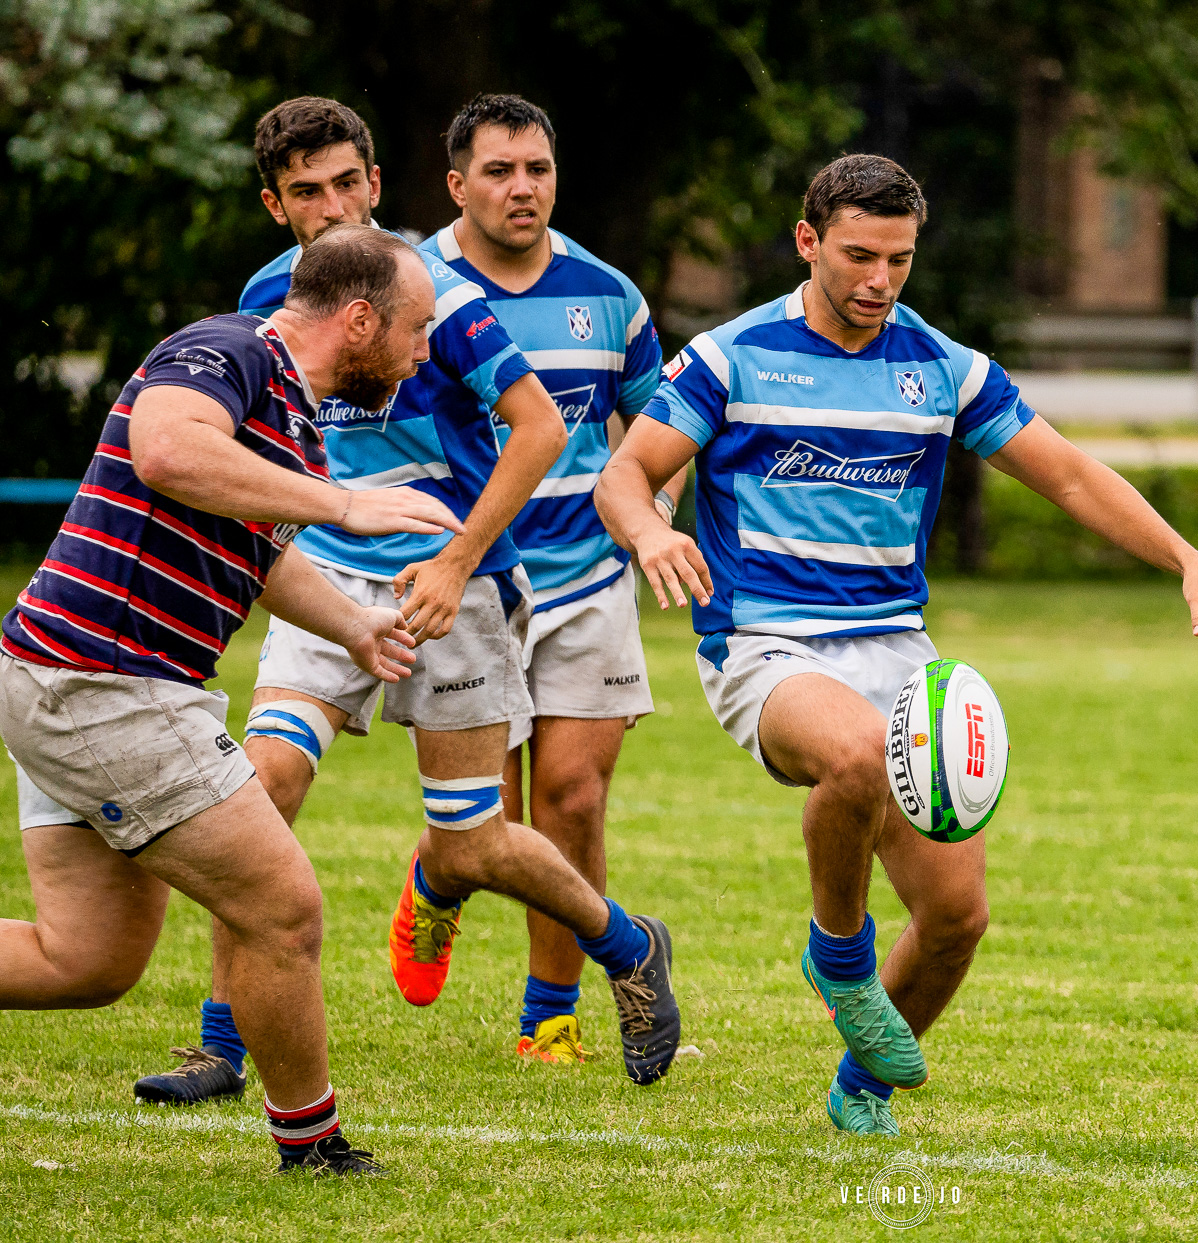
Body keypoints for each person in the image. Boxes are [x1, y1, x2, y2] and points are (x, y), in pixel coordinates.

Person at [597, 154, 1198, 1136]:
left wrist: (1184, 556)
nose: (878, 281)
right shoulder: (732, 358)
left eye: (900, 261)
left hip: (897, 650)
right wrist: (653, 529)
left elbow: (1072, 477)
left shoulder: (942, 368)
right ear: (807, 241)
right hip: (765, 646)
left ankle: (861, 1086)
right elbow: (625, 473)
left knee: (957, 920)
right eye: (859, 256)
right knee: (856, 755)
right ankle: (838, 951)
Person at [130, 96, 680, 1106]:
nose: (334, 206)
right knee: (260, 788)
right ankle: (221, 1045)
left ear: (379, 186)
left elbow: (543, 430)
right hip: (327, 581)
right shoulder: (263, 302)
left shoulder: (443, 296)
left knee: (471, 839)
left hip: (450, 587)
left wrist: (456, 560)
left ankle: (629, 943)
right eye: (308, 191)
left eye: (348, 183)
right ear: (274, 204)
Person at [1, 227, 462, 1173]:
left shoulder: (291, 412)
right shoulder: (229, 348)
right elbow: (167, 451)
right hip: (106, 684)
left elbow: (257, 544)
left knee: (84, 959)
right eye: (418, 331)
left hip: (71, 680)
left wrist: (354, 626)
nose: (425, 355)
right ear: (361, 318)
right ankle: (314, 1142)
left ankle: (309, 1136)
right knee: (283, 906)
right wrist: (344, 506)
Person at [426, 94, 685, 1067]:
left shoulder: (609, 292)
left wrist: (646, 526)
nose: (522, 187)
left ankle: (552, 1016)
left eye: (536, 168)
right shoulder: (419, 288)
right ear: (457, 185)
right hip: (474, 585)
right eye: (498, 171)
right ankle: (437, 883)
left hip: (587, 577)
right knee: (479, 824)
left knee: (571, 799)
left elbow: (658, 432)